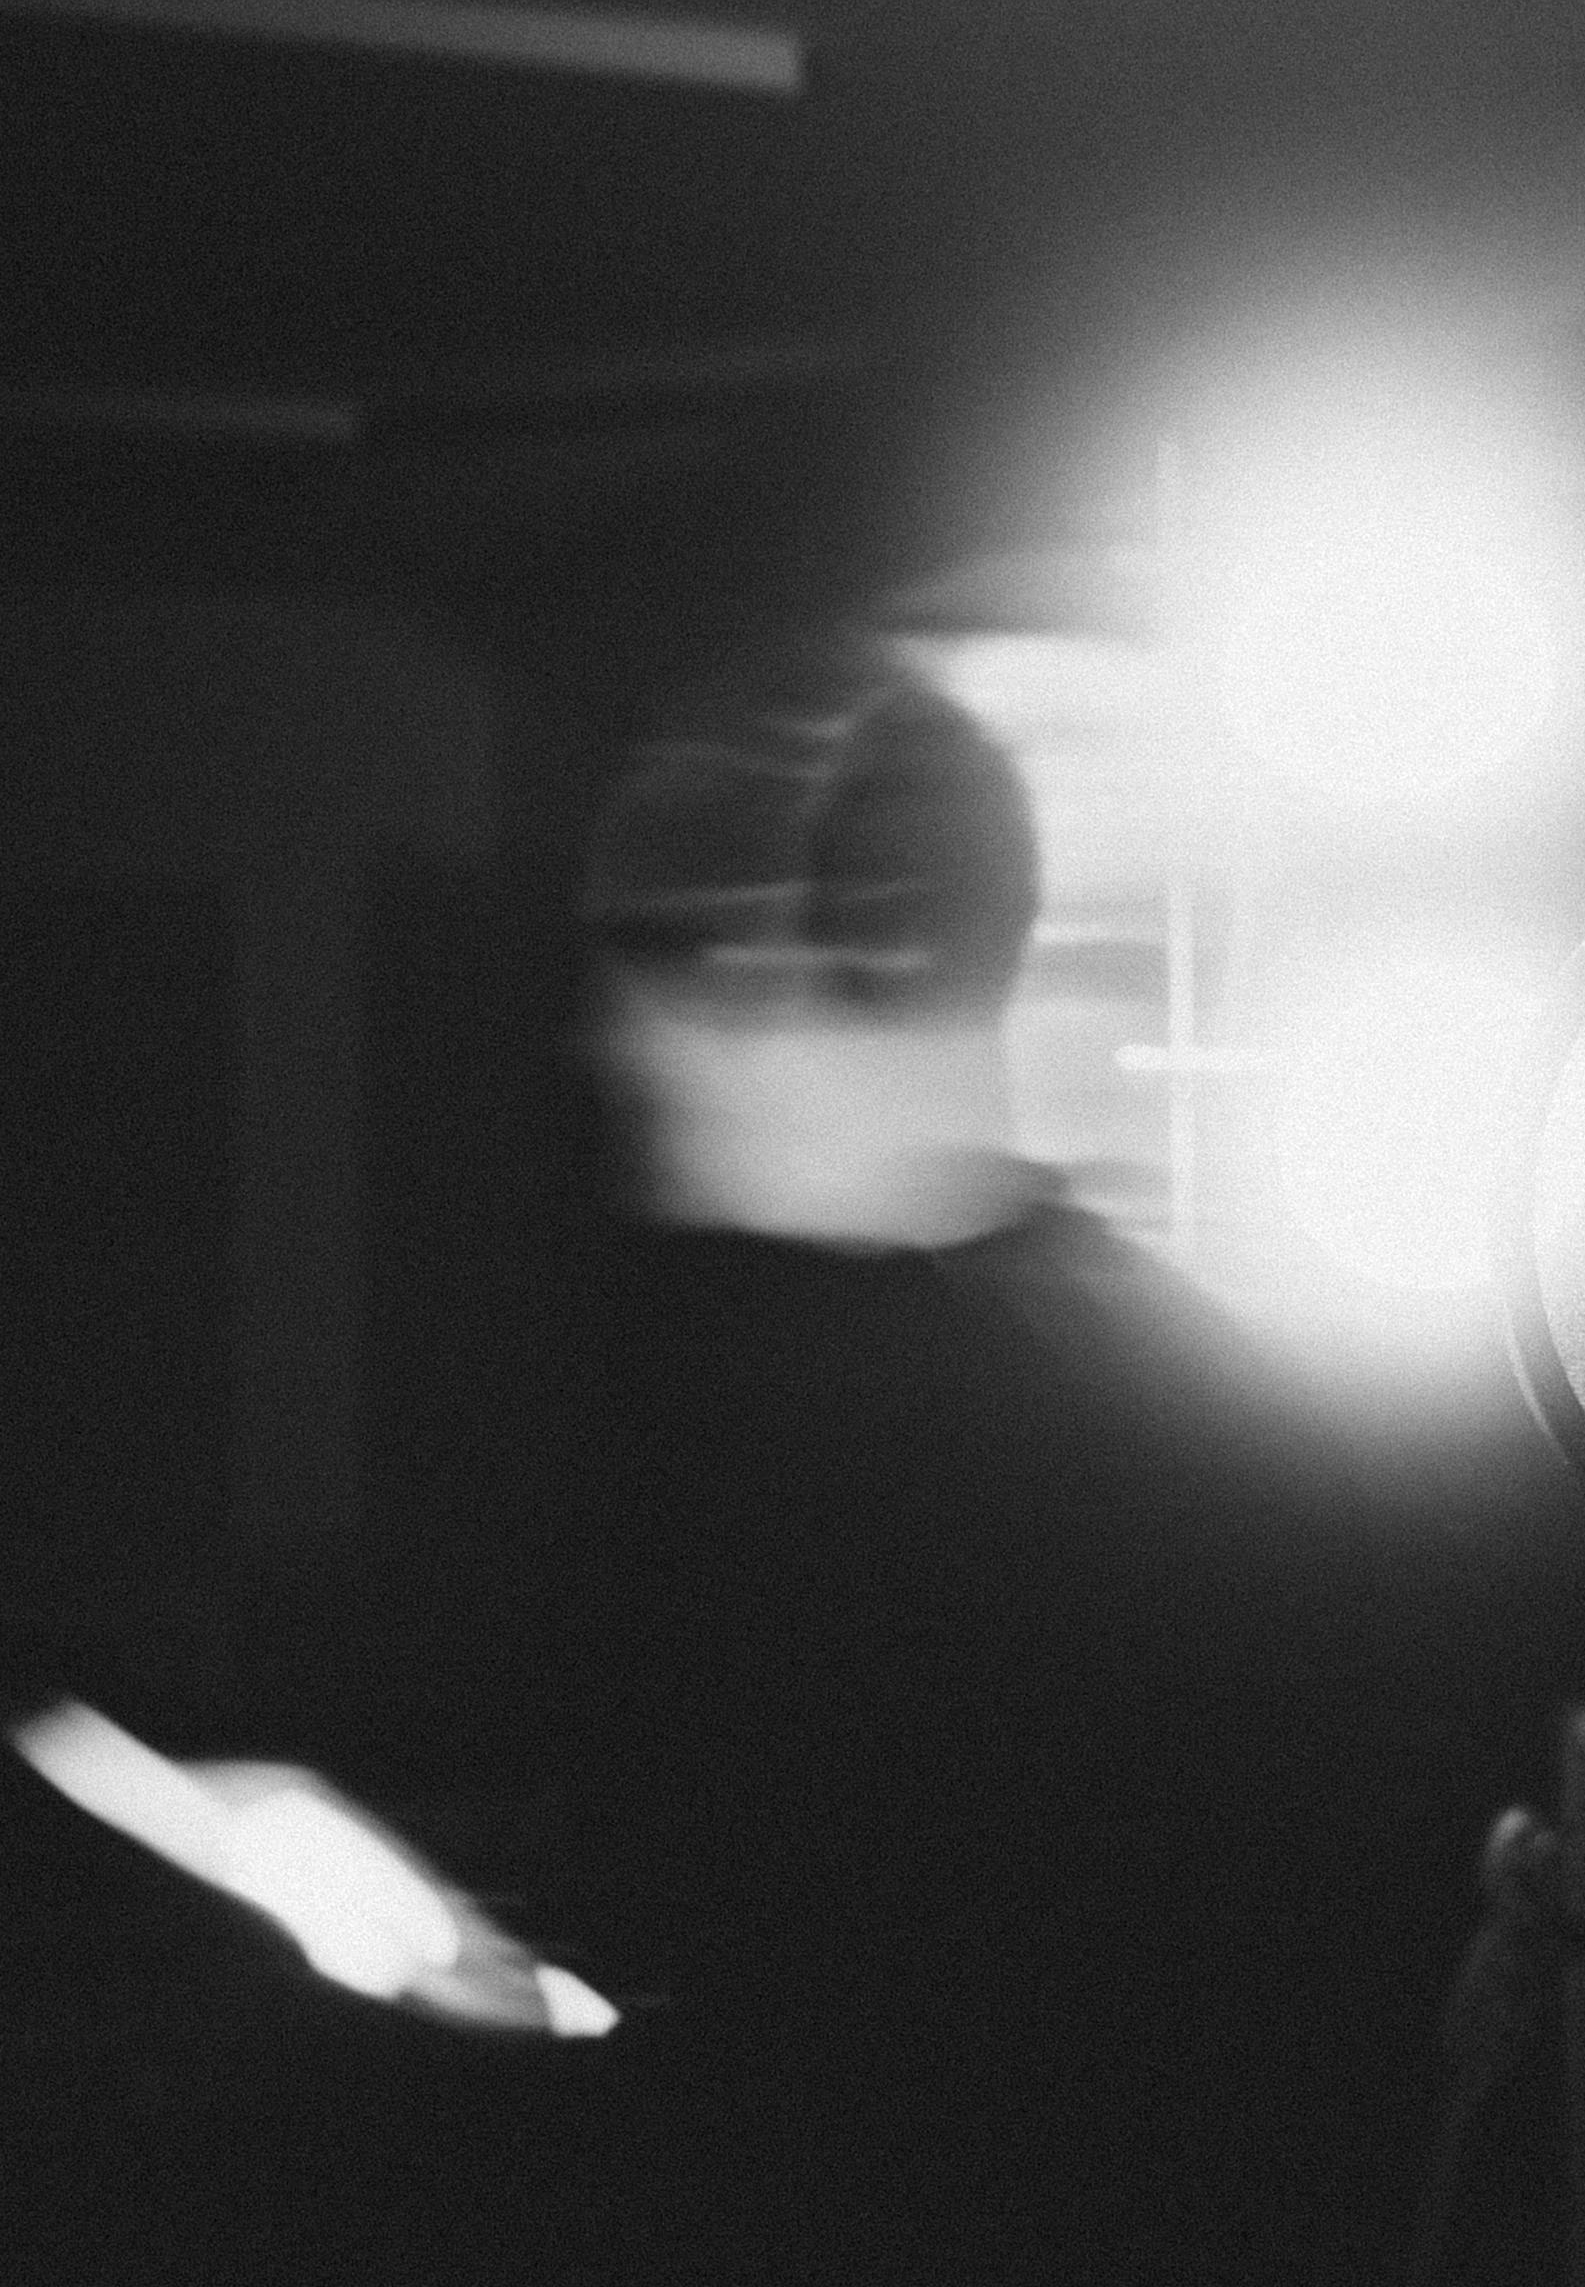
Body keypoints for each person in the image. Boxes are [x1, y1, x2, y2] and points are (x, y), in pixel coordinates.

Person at [553, 631, 1388, 2283]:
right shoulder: (1185, 1407)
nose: (608, 1036)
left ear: (862, 952)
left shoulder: (946, 1446)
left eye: (667, 952)